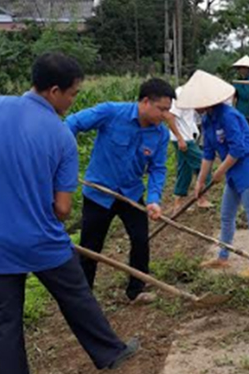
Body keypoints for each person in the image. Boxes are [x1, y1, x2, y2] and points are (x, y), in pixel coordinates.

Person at [0, 53, 138, 374]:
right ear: (54, 91)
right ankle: (110, 352)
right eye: (72, 94)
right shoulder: (60, 135)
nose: (72, 101)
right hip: (42, 242)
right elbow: (63, 208)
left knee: (6, 329)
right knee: (77, 298)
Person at [65, 78, 175, 303]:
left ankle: (136, 290)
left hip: (131, 194)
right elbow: (71, 124)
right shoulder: (111, 113)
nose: (164, 115)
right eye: (161, 109)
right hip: (98, 194)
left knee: (140, 240)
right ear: (145, 102)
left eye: (168, 110)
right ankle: (83, 297)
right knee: (90, 247)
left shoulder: (160, 134)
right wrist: (64, 156)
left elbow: (158, 169)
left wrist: (154, 199)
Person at [177, 70, 249, 279]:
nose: (195, 107)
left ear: (207, 100)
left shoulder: (229, 116)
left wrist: (219, 172)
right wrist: (200, 182)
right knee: (226, 216)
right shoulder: (207, 120)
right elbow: (208, 152)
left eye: (197, 103)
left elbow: (238, 149)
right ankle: (223, 257)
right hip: (233, 174)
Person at [164, 86, 213, 212]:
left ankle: (178, 204)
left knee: (185, 170)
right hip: (183, 139)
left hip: (187, 138)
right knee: (204, 165)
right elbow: (169, 116)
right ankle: (201, 199)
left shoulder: (191, 94)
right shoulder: (181, 94)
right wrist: (180, 138)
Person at [232, 55, 249, 127]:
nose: (240, 70)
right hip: (240, 112)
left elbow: (245, 95)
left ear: (248, 69)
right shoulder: (243, 81)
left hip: (247, 114)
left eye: (242, 68)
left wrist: (237, 85)